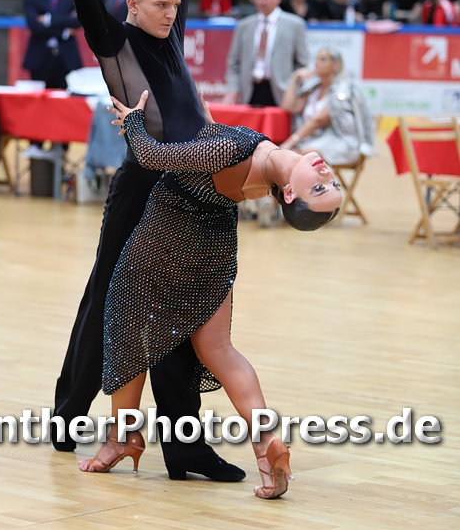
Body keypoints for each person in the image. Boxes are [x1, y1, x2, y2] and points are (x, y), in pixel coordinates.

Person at [0, 0, 246, 482]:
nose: (172, 14)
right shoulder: (113, 40)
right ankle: (68, 416)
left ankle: (184, 448)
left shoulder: (170, 32)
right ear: (132, 4)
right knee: (108, 299)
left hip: (189, 183)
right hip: (142, 187)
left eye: (176, 5)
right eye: (160, 5)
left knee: (184, 310)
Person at [76, 88, 341, 498]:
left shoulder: (234, 153)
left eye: (320, 189)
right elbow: (211, 152)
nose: (325, 175)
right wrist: (203, 119)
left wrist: (133, 122)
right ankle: (265, 443)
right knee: (219, 350)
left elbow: (151, 156)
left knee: (128, 331)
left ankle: (121, 439)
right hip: (214, 250)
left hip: (166, 239)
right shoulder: (262, 165)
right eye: (331, 183)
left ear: (289, 194)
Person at [224, 0, 308, 107]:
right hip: (249, 92)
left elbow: (302, 64)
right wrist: (233, 89)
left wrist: (294, 91)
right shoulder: (244, 26)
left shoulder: (295, 25)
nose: (262, 2)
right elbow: (233, 63)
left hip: (282, 93)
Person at [280, 49, 374, 165]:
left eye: (323, 59)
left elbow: (318, 120)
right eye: (316, 59)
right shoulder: (313, 88)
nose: (317, 63)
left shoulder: (343, 89)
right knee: (292, 154)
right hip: (311, 141)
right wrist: (295, 77)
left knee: (302, 154)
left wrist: (289, 143)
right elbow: (289, 107)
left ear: (335, 65)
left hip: (344, 143)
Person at [22, 0, 81, 87]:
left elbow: (78, 20)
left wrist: (48, 19)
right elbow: (33, 25)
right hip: (39, 58)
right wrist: (64, 31)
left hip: (67, 57)